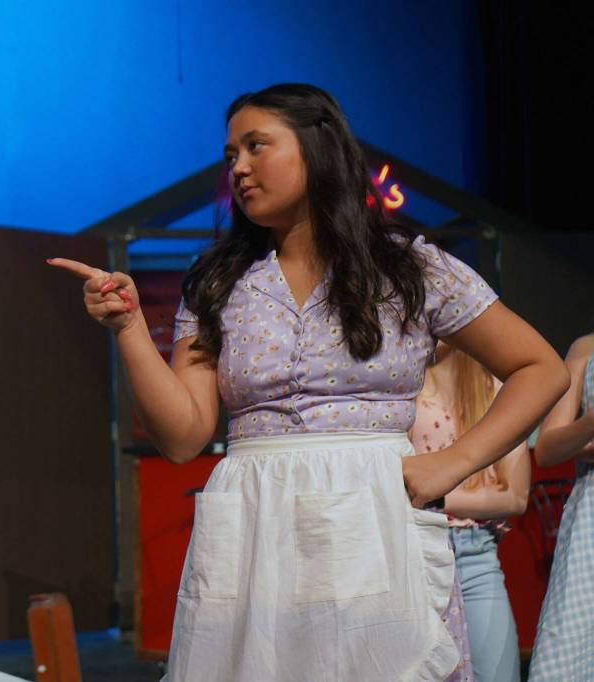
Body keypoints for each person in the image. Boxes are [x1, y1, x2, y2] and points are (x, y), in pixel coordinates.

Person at [49, 83, 567, 680]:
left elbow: (540, 368)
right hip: (254, 525)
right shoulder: (218, 283)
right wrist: (131, 328)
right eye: (230, 156)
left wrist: (454, 462)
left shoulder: (409, 268)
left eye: (256, 146)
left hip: (373, 519)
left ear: (317, 147)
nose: (238, 168)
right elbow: (184, 436)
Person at [411, 342, 529, 681]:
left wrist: (432, 492)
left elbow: (514, 497)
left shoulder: (497, 389)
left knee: (496, 672)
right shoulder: (403, 385)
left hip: (474, 553)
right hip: (414, 545)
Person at [528, 332, 594, 680]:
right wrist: (590, 423)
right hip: (591, 518)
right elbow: (548, 447)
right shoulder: (586, 348)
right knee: (574, 642)